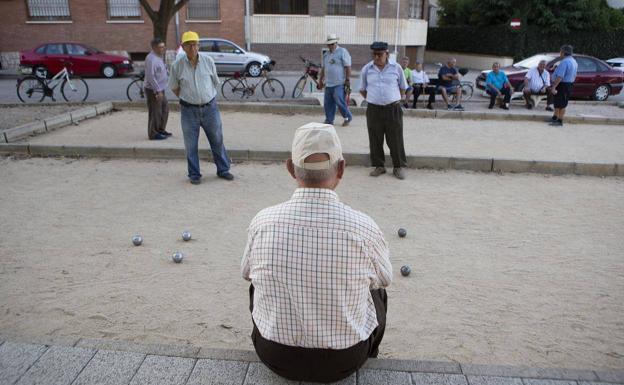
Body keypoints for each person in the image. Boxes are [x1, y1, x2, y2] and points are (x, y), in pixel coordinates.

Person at [241, 122, 392, 383]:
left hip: (275, 355)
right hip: (345, 359)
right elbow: (385, 278)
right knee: (377, 292)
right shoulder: (363, 227)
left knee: (257, 282)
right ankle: (371, 353)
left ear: (290, 168)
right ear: (341, 168)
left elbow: (246, 272)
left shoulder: (263, 221)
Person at [168, 31, 234, 184]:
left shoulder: (208, 61)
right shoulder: (177, 65)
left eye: (195, 44)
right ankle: (194, 174)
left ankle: (223, 170)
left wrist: (204, 97)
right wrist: (189, 98)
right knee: (190, 144)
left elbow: (214, 82)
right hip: (188, 111)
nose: (192, 47)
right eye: (188, 45)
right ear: (183, 47)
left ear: (198, 45)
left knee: (217, 139)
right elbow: (174, 87)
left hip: (210, 108)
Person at [359, 41, 408, 180]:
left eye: (379, 54)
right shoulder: (367, 69)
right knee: (375, 138)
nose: (376, 57)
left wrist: (396, 98)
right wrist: (374, 99)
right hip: (374, 109)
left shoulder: (396, 68)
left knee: (396, 138)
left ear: (387, 54)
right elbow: (362, 89)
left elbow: (403, 86)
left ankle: (398, 167)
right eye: (374, 54)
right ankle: (379, 166)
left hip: (393, 108)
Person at [318, 34, 353, 127]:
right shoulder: (326, 55)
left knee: (339, 100)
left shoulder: (342, 51)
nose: (331, 45)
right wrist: (320, 81)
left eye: (333, 44)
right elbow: (323, 69)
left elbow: (348, 66)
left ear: (336, 43)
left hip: (339, 82)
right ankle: (329, 120)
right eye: (329, 44)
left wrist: (347, 79)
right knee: (328, 103)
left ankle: (348, 116)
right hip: (328, 83)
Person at [144, 37, 170, 140]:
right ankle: (153, 133)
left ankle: (160, 129)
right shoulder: (151, 58)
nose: (163, 49)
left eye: (164, 46)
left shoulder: (159, 56)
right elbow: (150, 76)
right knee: (155, 111)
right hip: (153, 90)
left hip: (161, 89)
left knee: (165, 109)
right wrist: (157, 90)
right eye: (161, 47)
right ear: (154, 47)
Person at [549, 45, 578, 126]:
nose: (560, 53)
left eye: (560, 51)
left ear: (564, 52)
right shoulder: (573, 61)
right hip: (568, 84)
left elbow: (560, 76)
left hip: (563, 85)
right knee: (558, 102)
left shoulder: (565, 62)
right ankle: (555, 117)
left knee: (561, 103)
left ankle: (559, 120)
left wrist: (554, 87)